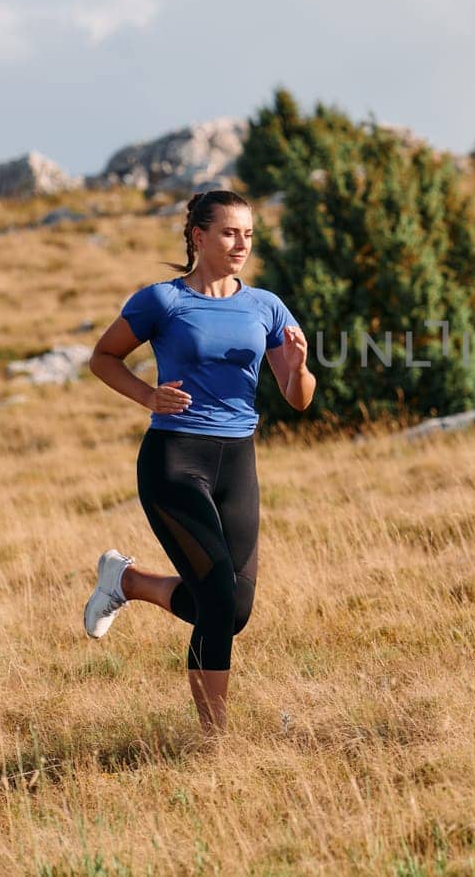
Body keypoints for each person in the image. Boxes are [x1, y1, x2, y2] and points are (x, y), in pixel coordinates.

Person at [82, 189, 315, 733]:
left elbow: (297, 397)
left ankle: (131, 582)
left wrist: (300, 367)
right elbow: (102, 357)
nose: (242, 244)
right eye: (231, 233)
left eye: (249, 235)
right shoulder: (162, 301)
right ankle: (215, 740)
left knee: (235, 610)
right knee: (214, 598)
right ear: (198, 237)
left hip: (238, 462)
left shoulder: (266, 306)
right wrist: (148, 396)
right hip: (174, 459)